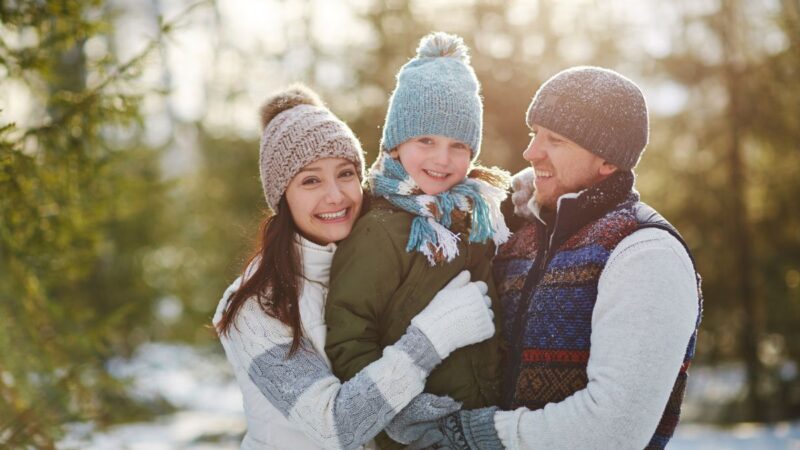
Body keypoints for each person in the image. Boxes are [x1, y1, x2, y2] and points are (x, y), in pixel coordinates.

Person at [390, 66, 703, 449]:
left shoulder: (645, 254)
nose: (530, 151)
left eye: (555, 140)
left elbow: (613, 431)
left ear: (607, 161)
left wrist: (472, 433)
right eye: (533, 133)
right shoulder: (518, 230)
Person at [212, 84, 497, 450]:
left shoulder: (375, 261)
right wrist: (432, 337)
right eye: (311, 180)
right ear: (282, 195)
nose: (335, 195)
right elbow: (335, 427)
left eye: (346, 173)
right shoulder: (255, 306)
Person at [324, 32, 510, 449]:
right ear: (395, 144)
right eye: (426, 140)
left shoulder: (474, 216)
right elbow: (348, 337)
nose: (442, 159)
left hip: (477, 425)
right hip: (412, 435)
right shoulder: (380, 230)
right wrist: (402, 415)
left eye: (458, 146)